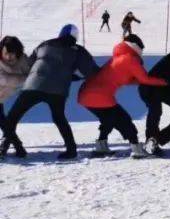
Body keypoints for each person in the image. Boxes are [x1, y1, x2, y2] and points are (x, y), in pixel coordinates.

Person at [1, 25, 98, 159]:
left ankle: (4, 147)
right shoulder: (78, 50)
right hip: (58, 90)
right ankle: (71, 150)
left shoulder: (45, 44)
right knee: (59, 118)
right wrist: (72, 75)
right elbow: (89, 70)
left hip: (34, 85)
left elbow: (30, 62)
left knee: (14, 115)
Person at [77, 34, 165, 158]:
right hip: (99, 96)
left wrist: (140, 81)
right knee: (124, 120)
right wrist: (165, 82)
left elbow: (123, 79)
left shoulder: (117, 58)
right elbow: (145, 78)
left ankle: (101, 147)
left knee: (109, 119)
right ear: (136, 47)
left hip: (85, 95)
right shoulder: (130, 59)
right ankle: (136, 149)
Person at [0, 36, 31, 137]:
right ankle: (17, 147)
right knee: (3, 122)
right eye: (6, 54)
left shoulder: (23, 60)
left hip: (2, 96)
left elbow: (30, 76)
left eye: (11, 54)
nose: (8, 57)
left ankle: (15, 146)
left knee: (4, 122)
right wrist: (20, 79)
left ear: (17, 52)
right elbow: (4, 79)